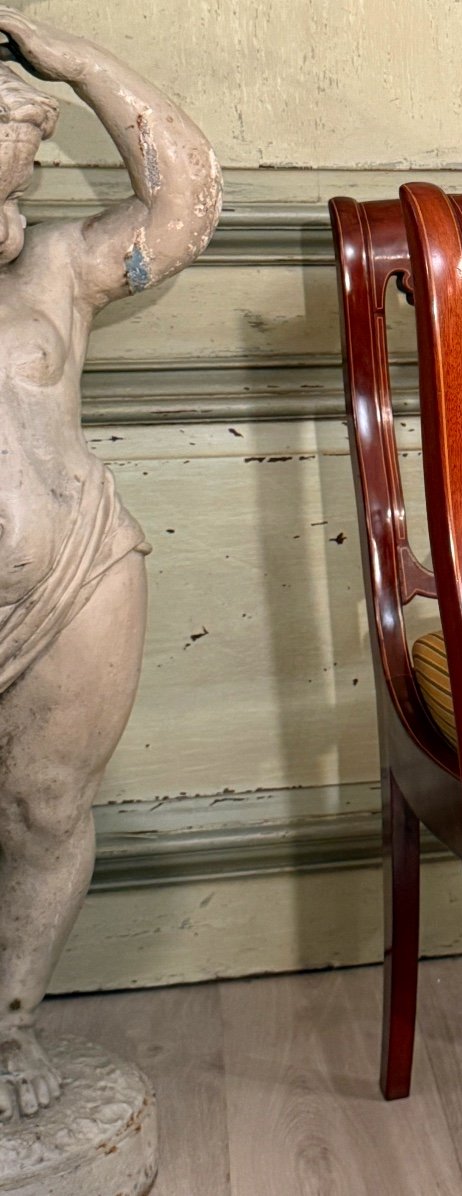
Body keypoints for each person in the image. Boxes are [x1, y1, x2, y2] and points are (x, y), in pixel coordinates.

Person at [0, 9, 221, 1124]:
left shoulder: (56, 268)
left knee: (46, 806)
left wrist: (79, 62)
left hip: (70, 578)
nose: (16, 164)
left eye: (20, 141)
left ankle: (8, 1025)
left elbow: (185, 204)